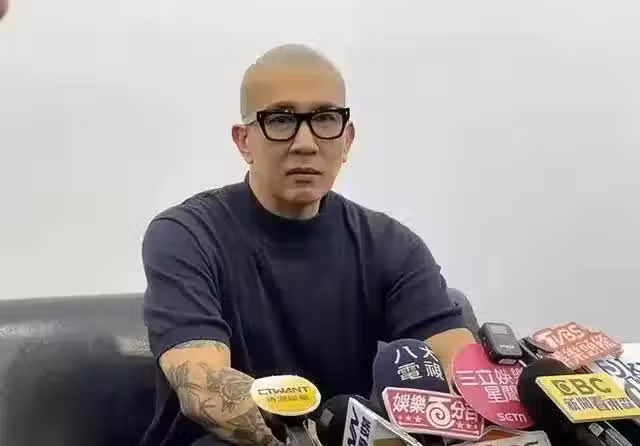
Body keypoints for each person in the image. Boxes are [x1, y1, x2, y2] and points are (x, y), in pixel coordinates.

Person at [139, 43, 475, 446]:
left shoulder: (392, 246)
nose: (305, 143)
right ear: (244, 141)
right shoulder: (186, 235)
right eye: (281, 120)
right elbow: (203, 386)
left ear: (347, 140)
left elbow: (459, 370)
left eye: (325, 119)